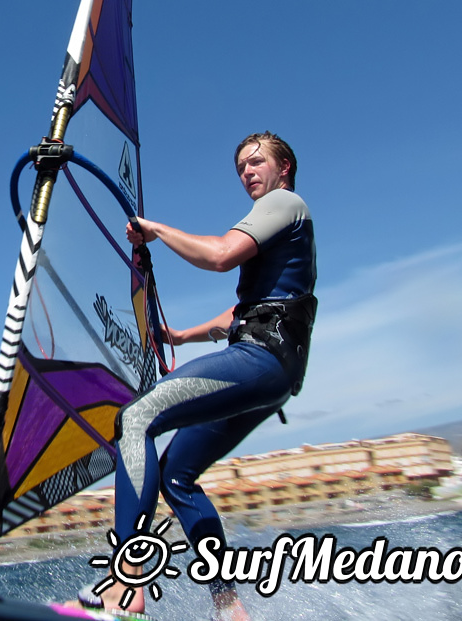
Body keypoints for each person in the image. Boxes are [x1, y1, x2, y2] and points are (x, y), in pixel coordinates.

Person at [76, 131, 317, 620]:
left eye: (256, 163)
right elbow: (244, 311)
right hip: (273, 373)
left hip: (261, 361)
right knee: (177, 477)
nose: (248, 173)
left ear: (284, 167)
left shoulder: (285, 203)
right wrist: (180, 337)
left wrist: (157, 231)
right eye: (241, 168)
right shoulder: (286, 235)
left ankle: (125, 590)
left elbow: (220, 255)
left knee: (135, 420)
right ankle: (229, 607)